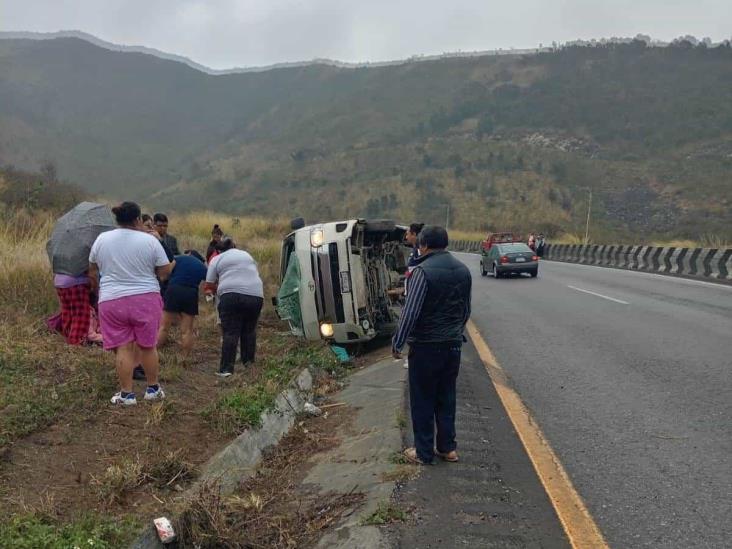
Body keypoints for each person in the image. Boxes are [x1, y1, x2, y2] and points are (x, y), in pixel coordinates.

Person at [392, 225, 472, 465]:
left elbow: (410, 313)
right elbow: (465, 310)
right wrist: (455, 333)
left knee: (423, 399)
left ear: (423, 245)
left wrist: (398, 342)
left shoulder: (422, 272)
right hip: (453, 345)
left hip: (426, 346)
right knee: (446, 397)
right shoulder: (463, 270)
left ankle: (423, 452)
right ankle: (448, 448)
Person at [89, 201, 172, 405]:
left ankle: (126, 394)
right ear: (137, 219)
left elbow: (92, 269)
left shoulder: (102, 239)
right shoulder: (150, 241)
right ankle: (153, 389)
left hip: (111, 300)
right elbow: (164, 273)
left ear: (117, 219)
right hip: (145, 298)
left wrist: (100, 291)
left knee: (123, 348)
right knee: (147, 347)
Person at [205, 237, 264, 377]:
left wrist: (218, 288)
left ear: (219, 250)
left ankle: (226, 369)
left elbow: (209, 282)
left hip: (231, 296)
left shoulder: (217, 258)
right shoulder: (246, 255)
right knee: (249, 331)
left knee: (231, 332)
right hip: (256, 295)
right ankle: (249, 365)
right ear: (234, 246)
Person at [158, 250, 208, 354]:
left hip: (174, 289)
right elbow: (210, 282)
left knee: (164, 327)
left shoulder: (178, 258)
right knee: (187, 330)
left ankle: (154, 352)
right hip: (191, 293)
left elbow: (165, 275)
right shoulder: (203, 267)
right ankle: (185, 356)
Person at [52, 271, 93, 345]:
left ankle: (67, 337)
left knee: (67, 313)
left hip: (59, 281)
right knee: (80, 315)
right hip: (76, 282)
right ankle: (76, 342)